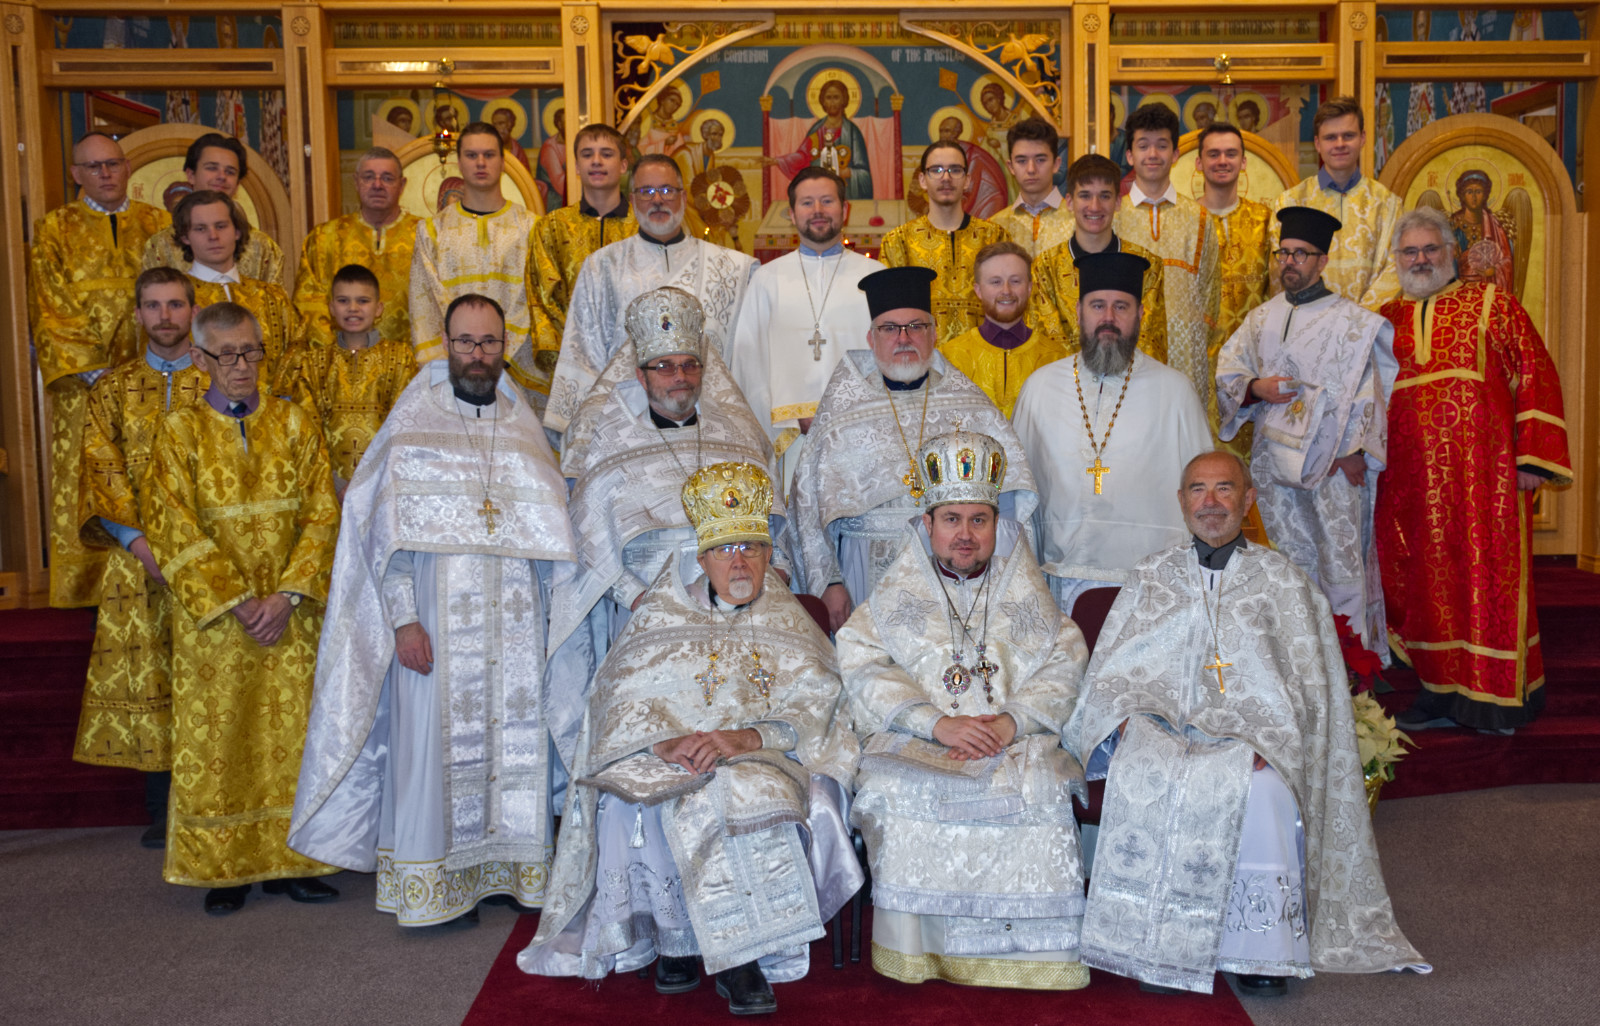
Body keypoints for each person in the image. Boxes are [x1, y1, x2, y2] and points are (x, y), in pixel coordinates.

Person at [1065, 451, 1428, 996]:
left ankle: (1258, 950)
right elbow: (1112, 673)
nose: (1210, 502)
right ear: (1182, 500)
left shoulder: (1284, 583)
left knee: (1263, 790)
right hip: (1161, 736)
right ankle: (1156, 942)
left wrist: (1274, 741)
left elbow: (1309, 688)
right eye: (1197, 489)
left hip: (1251, 741)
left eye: (1223, 489)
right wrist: (1124, 724)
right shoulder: (1150, 576)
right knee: (1146, 775)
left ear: (1248, 500)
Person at [518, 463, 862, 1016]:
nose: (740, 561)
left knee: (738, 797)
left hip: (763, 758)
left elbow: (823, 702)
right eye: (726, 549)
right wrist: (660, 744)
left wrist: (749, 737)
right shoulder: (660, 612)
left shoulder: (791, 619)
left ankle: (742, 958)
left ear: (771, 554)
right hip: (673, 754)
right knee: (631, 801)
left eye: (752, 546)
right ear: (701, 558)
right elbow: (615, 697)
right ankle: (672, 941)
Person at [289, 294, 579, 925]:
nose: (478, 356)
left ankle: (509, 872)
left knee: (514, 750)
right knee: (436, 753)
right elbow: (382, 541)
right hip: (437, 624)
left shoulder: (523, 422)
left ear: (506, 346)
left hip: (516, 629)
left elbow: (553, 530)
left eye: (490, 343)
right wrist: (402, 620)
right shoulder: (412, 425)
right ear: (444, 345)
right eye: (465, 343)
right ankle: (440, 885)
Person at [837, 429, 1090, 990]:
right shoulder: (895, 593)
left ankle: (1032, 957)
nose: (966, 534)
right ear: (927, 524)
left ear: (998, 525)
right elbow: (861, 663)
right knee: (900, 791)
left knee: (1042, 785)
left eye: (979, 519)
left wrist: (1011, 721)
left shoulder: (1026, 590)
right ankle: (920, 952)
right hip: (918, 740)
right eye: (951, 519)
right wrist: (934, 721)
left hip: (1013, 740)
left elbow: (1065, 659)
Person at [141, 302, 341, 915]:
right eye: (226, 354)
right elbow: (170, 524)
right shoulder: (177, 433)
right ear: (200, 359)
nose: (241, 366)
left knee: (296, 735)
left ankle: (296, 860)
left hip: (292, 612)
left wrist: (287, 594)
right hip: (220, 622)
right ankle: (225, 868)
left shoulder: (296, 423)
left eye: (251, 351)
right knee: (224, 737)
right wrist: (236, 600)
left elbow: (323, 513)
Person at [1377, 208, 1572, 734]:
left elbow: (1535, 373)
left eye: (1429, 250)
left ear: (1451, 253)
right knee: (1419, 590)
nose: (1419, 260)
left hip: (1483, 482)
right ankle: (1437, 692)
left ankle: (1494, 699)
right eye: (1409, 252)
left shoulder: (1493, 305)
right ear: (1397, 259)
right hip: (1407, 489)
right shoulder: (1382, 320)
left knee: (1488, 583)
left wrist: (1531, 459)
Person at [790, 266, 1037, 632]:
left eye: (916, 326)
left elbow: (1015, 502)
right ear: (872, 338)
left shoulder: (972, 406)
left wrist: (1002, 578)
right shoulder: (842, 410)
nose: (903, 338)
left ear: (934, 334)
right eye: (890, 328)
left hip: (957, 572)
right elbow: (807, 506)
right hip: (864, 570)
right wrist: (829, 582)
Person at [552, 286, 785, 662]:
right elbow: (591, 546)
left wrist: (775, 574)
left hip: (744, 612)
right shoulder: (611, 443)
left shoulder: (737, 433)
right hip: (650, 621)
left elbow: (775, 526)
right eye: (664, 366)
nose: (680, 376)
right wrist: (642, 600)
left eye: (690, 364)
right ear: (641, 377)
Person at [1216, 207, 1397, 670]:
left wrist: (1355, 452)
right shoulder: (1260, 319)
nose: (1289, 262)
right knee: (1286, 563)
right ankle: (1291, 664)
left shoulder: (1353, 322)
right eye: (1284, 253)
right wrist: (1256, 388)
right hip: (1275, 468)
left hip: (1334, 469)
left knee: (1338, 563)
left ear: (1322, 260)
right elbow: (1228, 370)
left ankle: (1351, 670)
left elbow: (1370, 392)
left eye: (1301, 253)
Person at [73, 268, 210, 848]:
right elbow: (99, 466)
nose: (164, 317)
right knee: (155, 673)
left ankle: (215, 794)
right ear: (137, 315)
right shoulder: (111, 388)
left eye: (175, 304)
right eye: (152, 306)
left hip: (211, 555)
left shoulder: (219, 382)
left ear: (192, 310)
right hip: (141, 560)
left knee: (210, 670)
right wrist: (139, 541)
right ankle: (162, 805)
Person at [1012, 251, 1210, 616]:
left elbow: (1204, 489)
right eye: (1097, 305)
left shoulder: (1175, 390)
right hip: (1060, 577)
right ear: (1079, 312)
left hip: (1152, 585)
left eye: (1121, 306)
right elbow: (1017, 491)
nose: (1108, 318)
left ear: (1140, 316)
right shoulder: (1040, 388)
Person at [30, 132, 171, 607]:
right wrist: (97, 372)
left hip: (153, 379)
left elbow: (176, 295)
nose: (105, 174)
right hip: (85, 385)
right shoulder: (54, 228)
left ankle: (162, 571)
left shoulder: (159, 224)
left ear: (128, 167)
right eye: (94, 167)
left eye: (112, 164)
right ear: (76, 175)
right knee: (88, 475)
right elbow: (51, 307)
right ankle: (89, 590)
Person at [544, 154, 757, 439]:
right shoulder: (604, 265)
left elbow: (746, 357)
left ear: (683, 197)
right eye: (646, 192)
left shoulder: (731, 268)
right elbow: (584, 348)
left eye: (667, 190)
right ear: (632, 200)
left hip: (710, 425)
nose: (658, 199)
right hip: (625, 426)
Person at [727, 167, 883, 482]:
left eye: (827, 201)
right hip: (790, 439)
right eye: (807, 203)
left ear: (845, 209)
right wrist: (788, 422)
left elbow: (887, 356)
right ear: (792, 213)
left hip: (859, 435)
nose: (818, 211)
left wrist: (856, 415)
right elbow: (748, 363)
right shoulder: (766, 280)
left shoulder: (875, 277)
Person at [409, 122, 544, 400]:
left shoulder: (532, 228)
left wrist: (499, 353)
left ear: (504, 161)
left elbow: (535, 299)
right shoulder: (433, 230)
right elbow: (425, 304)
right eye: (471, 155)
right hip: (454, 371)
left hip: (515, 369)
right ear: (459, 163)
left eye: (489, 155)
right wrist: (464, 354)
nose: (480, 163)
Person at [1114, 102, 1220, 429]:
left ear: (1176, 155)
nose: (1153, 154)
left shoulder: (1199, 218)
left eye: (1162, 145)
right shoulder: (1114, 216)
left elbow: (1210, 296)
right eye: (1143, 145)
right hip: (1128, 356)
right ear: (1130, 155)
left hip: (1186, 361)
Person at [275, 264, 417, 500]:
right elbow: (307, 428)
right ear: (331, 308)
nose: (353, 308)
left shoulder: (401, 358)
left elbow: (404, 424)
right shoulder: (312, 364)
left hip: (385, 485)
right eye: (343, 301)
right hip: (329, 488)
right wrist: (336, 483)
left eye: (363, 301)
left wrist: (373, 480)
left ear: (378, 308)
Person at [527, 124, 639, 392]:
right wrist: (574, 354)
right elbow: (542, 299)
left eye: (606, 154)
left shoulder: (642, 227)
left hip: (636, 367)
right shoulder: (552, 227)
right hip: (573, 367)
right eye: (587, 154)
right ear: (576, 166)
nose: (596, 161)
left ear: (623, 165)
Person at [1031, 155, 1167, 361]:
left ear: (1118, 202)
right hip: (1066, 385)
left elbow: (1149, 341)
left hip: (1130, 385)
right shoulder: (1045, 267)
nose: (1094, 206)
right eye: (1085, 195)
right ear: (1069, 202)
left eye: (1104, 196)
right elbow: (1046, 342)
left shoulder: (1146, 265)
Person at [1273, 97, 1401, 311]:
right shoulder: (1290, 202)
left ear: (1362, 138)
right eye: (1330, 137)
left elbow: (1395, 268)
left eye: (1348, 136)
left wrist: (1357, 320)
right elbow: (1281, 270)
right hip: (1307, 325)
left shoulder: (1387, 204)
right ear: (1317, 144)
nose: (1340, 144)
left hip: (1366, 327)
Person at [879, 142, 1006, 347]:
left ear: (967, 180)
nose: (946, 177)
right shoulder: (898, 242)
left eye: (955, 170)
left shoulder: (995, 238)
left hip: (984, 361)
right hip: (923, 362)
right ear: (922, 179)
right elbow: (889, 315)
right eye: (936, 170)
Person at [292, 147, 421, 347]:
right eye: (369, 177)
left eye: (387, 178)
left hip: (410, 366)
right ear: (356, 182)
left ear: (402, 185)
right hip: (341, 364)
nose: (377, 185)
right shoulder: (324, 237)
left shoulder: (426, 236)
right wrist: (339, 359)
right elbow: (309, 305)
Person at [172, 190, 299, 374]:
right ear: (185, 237)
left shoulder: (272, 296)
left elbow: (297, 355)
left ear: (237, 231)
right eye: (201, 228)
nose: (213, 236)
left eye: (221, 226)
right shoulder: (173, 299)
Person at [938, 241, 1065, 417]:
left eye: (1015, 281)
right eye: (995, 282)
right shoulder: (949, 358)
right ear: (978, 290)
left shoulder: (1056, 358)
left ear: (1029, 288)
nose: (1006, 290)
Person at [143, 131, 286, 286]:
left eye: (230, 172)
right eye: (212, 168)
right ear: (191, 175)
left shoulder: (263, 247)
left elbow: (275, 305)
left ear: (238, 184)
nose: (222, 176)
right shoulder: (161, 245)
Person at [767, 78, 873, 199]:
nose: (832, 102)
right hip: (818, 190)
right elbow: (803, 157)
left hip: (844, 192)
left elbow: (864, 174)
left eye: (836, 97)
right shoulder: (817, 130)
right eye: (828, 97)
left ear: (844, 100)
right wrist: (778, 161)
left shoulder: (852, 132)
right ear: (822, 101)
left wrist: (842, 172)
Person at [990, 118, 1071, 256]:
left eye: (1040, 160)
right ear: (1011, 167)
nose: (1031, 169)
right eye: (1022, 161)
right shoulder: (995, 226)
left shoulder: (1077, 220)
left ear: (1056, 164)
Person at [1449, 169, 1514, 290]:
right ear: (1462, 195)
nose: (1473, 197)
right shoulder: (1452, 225)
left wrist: (1495, 270)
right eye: (1469, 192)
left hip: (1487, 291)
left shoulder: (1495, 226)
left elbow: (1507, 261)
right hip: (1458, 292)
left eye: (1478, 192)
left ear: (1485, 195)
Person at [535, 107, 568, 210]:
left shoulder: (572, 142)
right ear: (559, 125)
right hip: (555, 201)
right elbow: (559, 184)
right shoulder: (550, 148)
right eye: (566, 123)